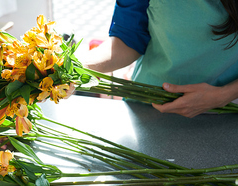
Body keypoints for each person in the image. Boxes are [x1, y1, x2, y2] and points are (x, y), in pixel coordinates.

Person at [80, 0, 238, 118]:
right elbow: (128, 40)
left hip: (225, 112)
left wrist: (223, 95)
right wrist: (79, 65)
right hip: (148, 106)